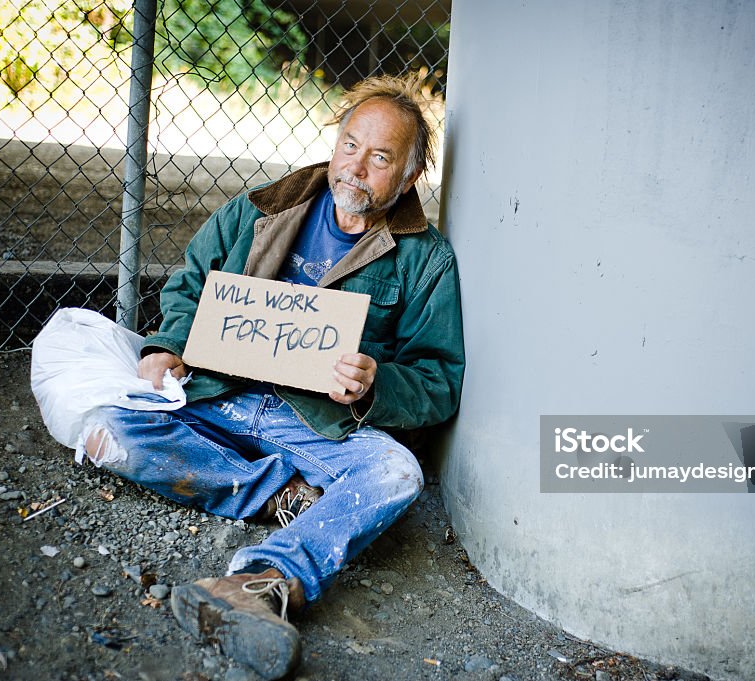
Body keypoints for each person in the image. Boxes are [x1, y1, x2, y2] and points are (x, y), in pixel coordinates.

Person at [79, 74, 465, 679]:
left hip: (316, 421)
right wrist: (167, 346)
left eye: (381, 157)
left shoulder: (425, 259)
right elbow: (189, 285)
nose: (356, 167)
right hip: (219, 394)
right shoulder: (262, 207)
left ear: (411, 176)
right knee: (108, 429)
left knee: (396, 473)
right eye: (349, 145)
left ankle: (264, 582)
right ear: (334, 144)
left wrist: (376, 384)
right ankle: (280, 494)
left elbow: (438, 380)